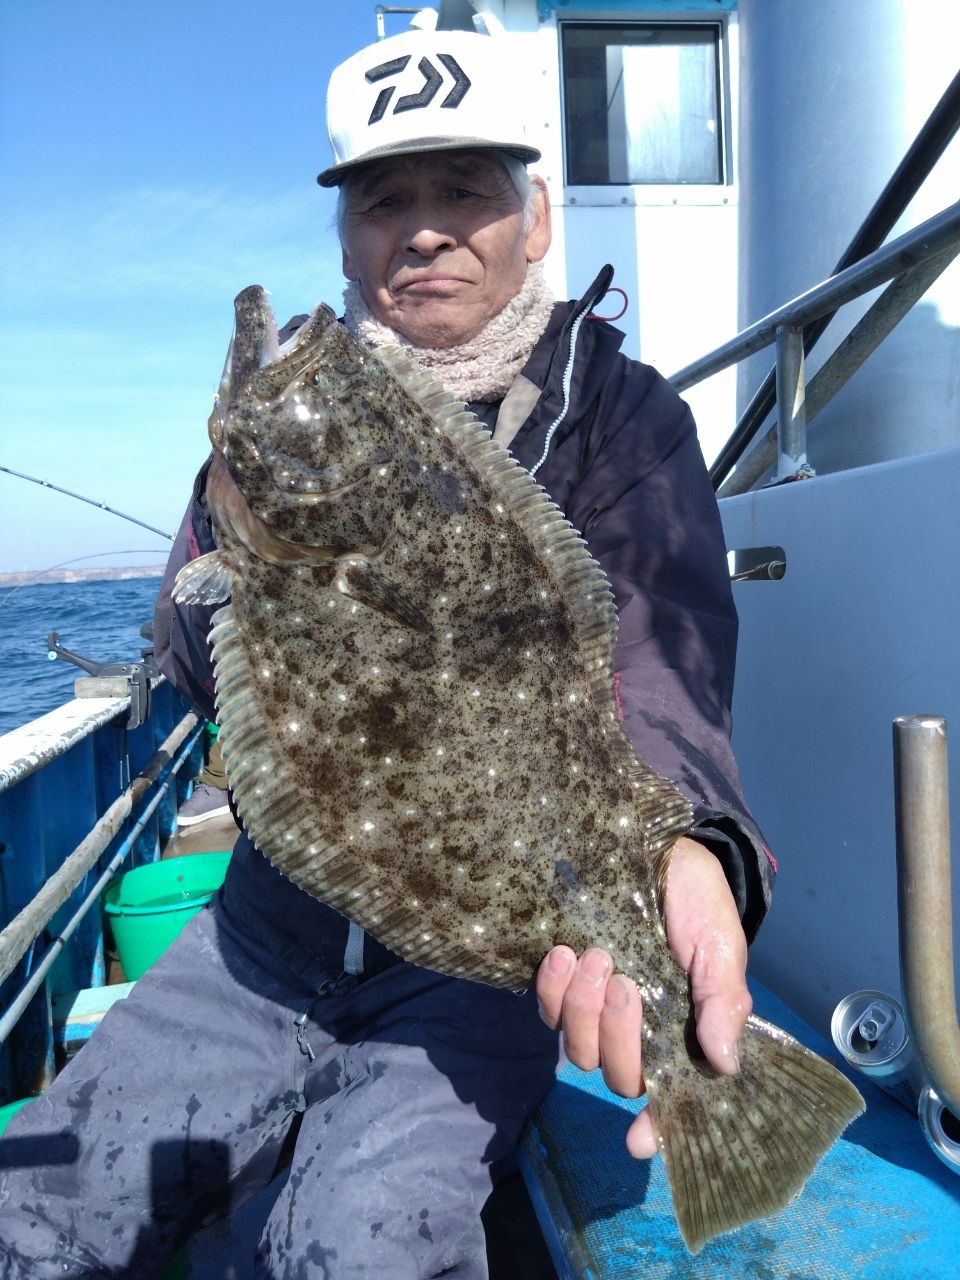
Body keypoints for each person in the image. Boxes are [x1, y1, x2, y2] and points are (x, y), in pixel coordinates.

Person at [0, 27, 774, 1280]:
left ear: (531, 213)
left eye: (462, 190)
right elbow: (193, 667)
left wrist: (685, 842)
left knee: (358, 1246)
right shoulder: (278, 437)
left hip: (473, 962)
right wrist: (244, 553)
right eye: (383, 201)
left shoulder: (619, 419)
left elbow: (659, 662)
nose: (422, 230)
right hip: (265, 923)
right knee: (28, 1209)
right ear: (348, 238)